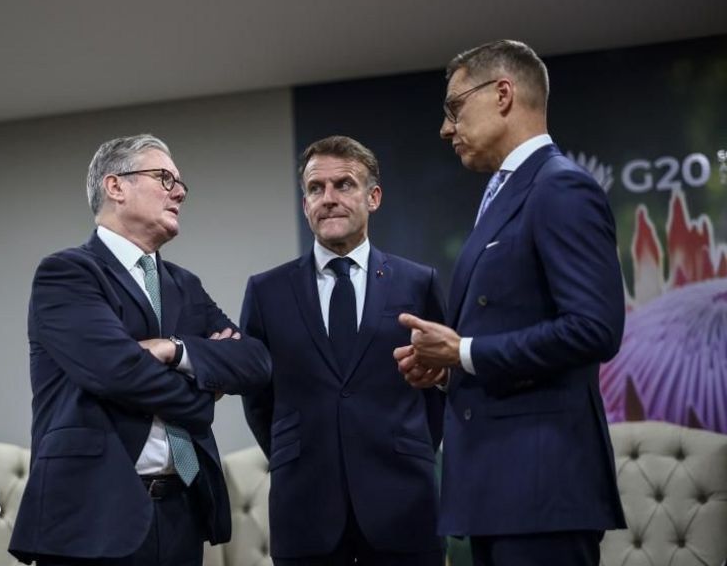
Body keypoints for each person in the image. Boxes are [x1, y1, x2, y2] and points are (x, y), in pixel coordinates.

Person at [394, 39, 625, 566]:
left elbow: (595, 328)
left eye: (455, 107)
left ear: (502, 94)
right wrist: (451, 369)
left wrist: (464, 352)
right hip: (497, 492)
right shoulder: (508, 191)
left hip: (542, 491)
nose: (446, 128)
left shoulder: (560, 187)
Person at [7, 134, 271, 566]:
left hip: (182, 511)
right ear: (116, 186)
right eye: (165, 178)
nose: (179, 192)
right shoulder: (67, 273)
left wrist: (175, 349)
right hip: (92, 516)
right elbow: (119, 372)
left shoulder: (184, 284)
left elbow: (255, 362)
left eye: (180, 184)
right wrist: (203, 395)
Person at [242, 136, 446, 565]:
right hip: (304, 508)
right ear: (305, 205)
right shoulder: (266, 291)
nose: (328, 198)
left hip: (403, 505)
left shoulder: (418, 282)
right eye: (316, 188)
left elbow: (438, 387)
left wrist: (410, 448)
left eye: (344, 184)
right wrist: (296, 454)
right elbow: (258, 397)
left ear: (373, 197)